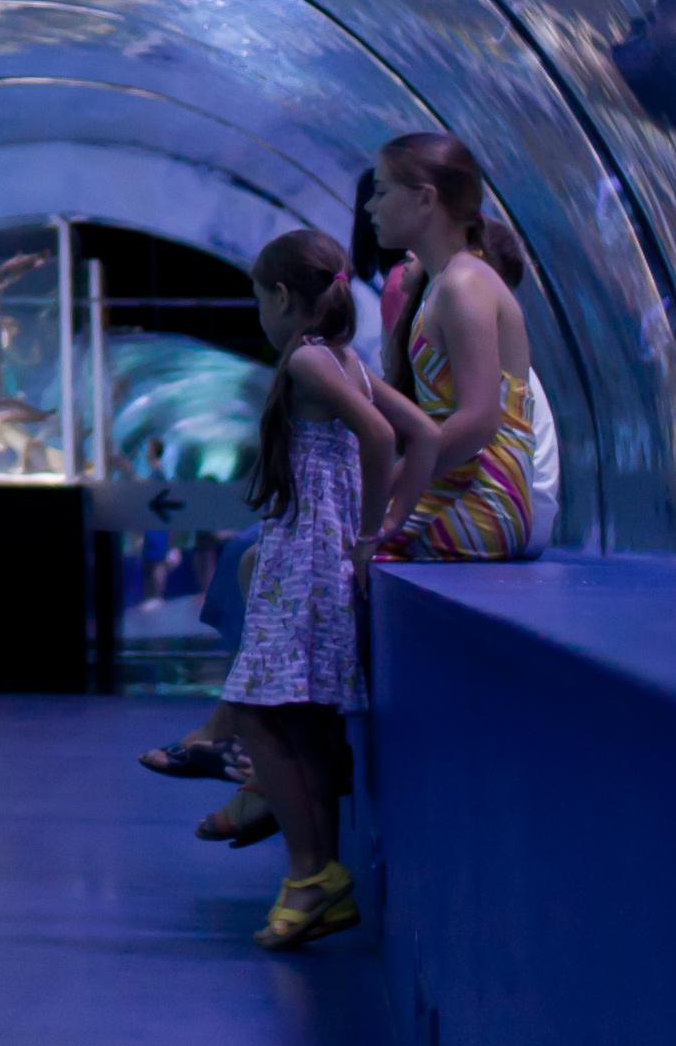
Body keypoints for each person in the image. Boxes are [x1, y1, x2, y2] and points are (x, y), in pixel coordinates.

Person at [140, 228, 429, 950]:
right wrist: (387, 518)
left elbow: (380, 435)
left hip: (303, 562)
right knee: (303, 724)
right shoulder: (349, 362)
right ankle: (314, 879)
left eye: (256, 298)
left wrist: (370, 532)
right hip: (311, 560)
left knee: (267, 722)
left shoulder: (306, 359)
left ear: (278, 296)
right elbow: (422, 434)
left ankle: (310, 871)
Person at [360, 131, 555, 562]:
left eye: (381, 192)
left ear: (425, 199)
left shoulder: (464, 284)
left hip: (484, 499)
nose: (371, 207)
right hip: (455, 488)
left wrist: (390, 484)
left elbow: (480, 419)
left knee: (330, 558)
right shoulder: (443, 284)